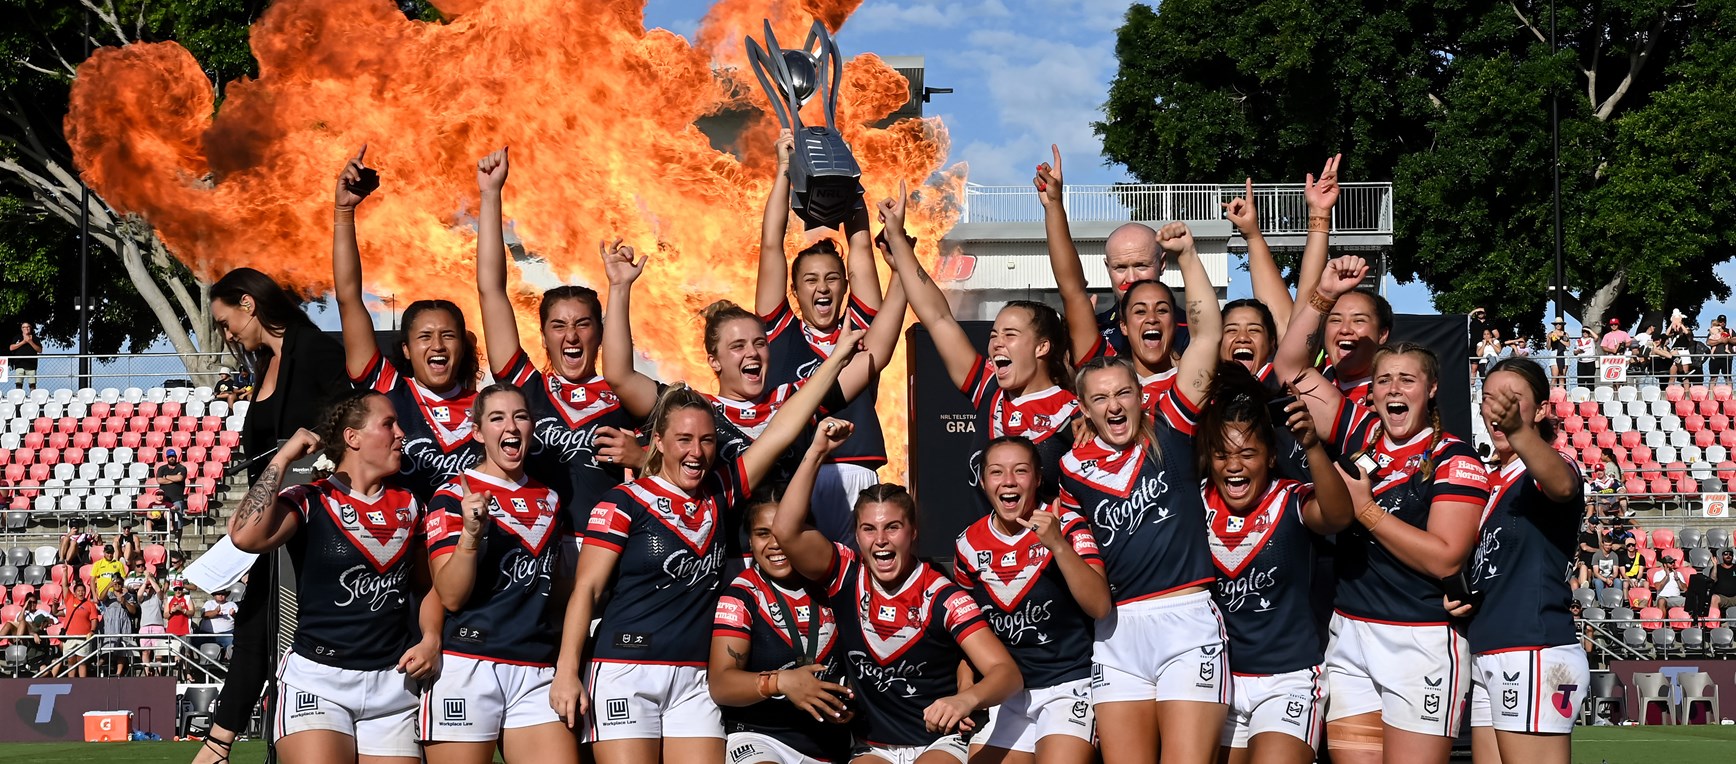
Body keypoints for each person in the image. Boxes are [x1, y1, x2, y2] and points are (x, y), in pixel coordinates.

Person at [552, 319, 871, 764]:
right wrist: (568, 671)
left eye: (706, 441)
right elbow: (585, 590)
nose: (696, 452)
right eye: (683, 439)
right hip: (627, 673)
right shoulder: (623, 502)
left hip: (695, 681)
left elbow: (782, 428)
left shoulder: (722, 491)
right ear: (657, 442)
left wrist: (836, 358)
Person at [1279, 257, 1492, 764]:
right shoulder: (1358, 429)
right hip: (1350, 631)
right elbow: (1290, 366)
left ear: (1432, 389)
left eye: (1407, 380)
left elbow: (1444, 559)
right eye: (1384, 381)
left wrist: (1368, 512)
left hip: (1419, 641)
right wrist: (1322, 295)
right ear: (1370, 392)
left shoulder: (1454, 457)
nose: (1394, 389)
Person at [600, 227, 905, 544]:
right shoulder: (696, 410)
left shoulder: (793, 399)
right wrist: (620, 288)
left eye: (759, 343)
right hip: (726, 559)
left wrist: (900, 272)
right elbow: (620, 376)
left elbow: (877, 353)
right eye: (737, 346)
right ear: (714, 360)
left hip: (787, 558)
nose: (752, 352)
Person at [772, 422, 1023, 764]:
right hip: (872, 746)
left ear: (913, 532)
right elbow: (785, 531)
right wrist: (816, 452)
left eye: (893, 527)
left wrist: (966, 700)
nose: (881, 540)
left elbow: (1006, 673)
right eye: (869, 529)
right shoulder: (844, 574)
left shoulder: (943, 596)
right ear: (856, 536)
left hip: (937, 743)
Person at [228, 394, 441, 764]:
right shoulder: (312, 498)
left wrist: (431, 639)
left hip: (393, 683)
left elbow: (428, 586)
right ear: (353, 438)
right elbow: (246, 536)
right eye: (388, 424)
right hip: (317, 681)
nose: (401, 433)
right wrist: (284, 458)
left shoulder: (413, 505)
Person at [1057, 296, 1223, 764]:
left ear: (1141, 395)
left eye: (1123, 393)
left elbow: (1208, 335)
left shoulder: (1171, 427)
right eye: (1100, 397)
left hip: (1186, 619)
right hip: (1116, 634)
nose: (1114, 405)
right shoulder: (1071, 472)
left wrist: (1189, 257)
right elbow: (1094, 590)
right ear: (1084, 409)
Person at [203, 262, 351, 764]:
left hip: (311, 522)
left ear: (249, 304)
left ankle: (222, 747)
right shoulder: (266, 363)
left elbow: (346, 423)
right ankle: (225, 746)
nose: (226, 333)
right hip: (272, 520)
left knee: (266, 629)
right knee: (255, 627)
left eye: (226, 321)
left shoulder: (314, 349)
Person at [472, 148, 641, 559]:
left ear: (601, 334)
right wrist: (491, 195)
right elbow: (491, 291)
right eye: (558, 326)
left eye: (583, 324)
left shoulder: (626, 393)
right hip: (536, 551)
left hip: (609, 552)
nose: (572, 336)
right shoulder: (526, 388)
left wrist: (643, 455)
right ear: (543, 336)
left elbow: (684, 456)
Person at [883, 183, 1079, 519]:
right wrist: (899, 241)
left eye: (1011, 334)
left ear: (1043, 346)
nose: (997, 343)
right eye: (994, 334)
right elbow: (939, 318)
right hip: (985, 556)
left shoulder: (1074, 414)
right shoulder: (988, 389)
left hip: (1047, 562)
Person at [1200, 364, 1355, 763]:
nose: (1233, 465)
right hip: (1216, 681)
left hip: (1288, 679)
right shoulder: (1195, 504)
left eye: (1247, 453)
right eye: (1222, 454)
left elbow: (1338, 517)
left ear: (1271, 458)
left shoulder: (1290, 498)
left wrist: (1312, 446)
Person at [419, 384, 570, 764]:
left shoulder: (552, 500)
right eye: (497, 418)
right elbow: (449, 595)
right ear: (476, 431)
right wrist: (471, 534)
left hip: (536, 668)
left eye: (520, 416)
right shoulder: (452, 496)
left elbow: (558, 593)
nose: (511, 427)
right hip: (468, 663)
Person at [756, 129, 893, 542]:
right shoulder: (779, 333)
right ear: (795, 292)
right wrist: (783, 170)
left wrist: (850, 187)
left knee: (861, 582)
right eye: (811, 280)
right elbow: (769, 246)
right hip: (799, 473)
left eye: (832, 279)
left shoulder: (860, 331)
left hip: (858, 471)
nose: (823, 288)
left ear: (844, 286)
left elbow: (863, 252)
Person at [1453, 357, 1587, 764]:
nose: (1498, 409)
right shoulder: (1489, 478)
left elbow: (1562, 486)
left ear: (1542, 409)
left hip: (1533, 646)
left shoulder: (1548, 465)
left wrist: (1518, 431)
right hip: (1492, 646)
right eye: (1489, 398)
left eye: (1511, 400)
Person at [333, 147, 485, 501]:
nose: (437, 346)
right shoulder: (389, 390)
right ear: (405, 348)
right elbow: (349, 299)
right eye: (425, 336)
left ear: (463, 346)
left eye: (448, 336)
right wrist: (343, 212)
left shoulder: (487, 409)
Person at [953, 434, 1110, 763]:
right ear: (982, 481)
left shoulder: (1066, 524)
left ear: (1038, 478)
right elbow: (970, 632)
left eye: (1020, 471)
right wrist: (966, 687)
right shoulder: (968, 543)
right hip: (1009, 693)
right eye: (997, 472)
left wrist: (1057, 545)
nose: (1008, 481)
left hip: (1068, 687)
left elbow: (1100, 606)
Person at [707, 487, 854, 764]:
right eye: (763, 533)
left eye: (784, 532)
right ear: (750, 541)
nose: (775, 544)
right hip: (759, 736)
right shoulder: (742, 594)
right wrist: (781, 682)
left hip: (827, 743)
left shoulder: (835, 586)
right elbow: (721, 684)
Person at [59, 580, 100, 678]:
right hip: (70, 637)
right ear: (75, 592)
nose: (81, 593)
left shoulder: (90, 605)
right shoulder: (70, 600)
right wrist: (65, 571)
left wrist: (92, 631)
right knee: (71, 661)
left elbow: (94, 619)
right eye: (79, 591)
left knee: (82, 662)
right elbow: (65, 585)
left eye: (83, 591)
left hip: (84, 637)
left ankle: (82, 684)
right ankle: (71, 682)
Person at [100, 582, 139, 675]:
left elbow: (133, 611)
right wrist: (108, 585)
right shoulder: (109, 595)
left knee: (123, 649)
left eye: (119, 582)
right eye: (115, 583)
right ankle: (100, 664)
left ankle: (118, 673)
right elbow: (100, 598)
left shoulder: (128, 596)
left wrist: (124, 602)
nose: (117, 584)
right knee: (108, 646)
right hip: (111, 624)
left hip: (124, 623)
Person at [156, 450, 189, 546]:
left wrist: (166, 477)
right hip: (164, 499)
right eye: (170, 456)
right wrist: (173, 479)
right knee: (162, 521)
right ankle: (161, 544)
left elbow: (180, 478)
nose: (172, 458)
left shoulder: (181, 468)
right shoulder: (162, 468)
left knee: (178, 521)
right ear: (167, 458)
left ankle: (177, 543)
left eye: (173, 456)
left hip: (177, 499)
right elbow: (159, 480)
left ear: (176, 457)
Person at [8, 320, 41, 392]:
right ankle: (18, 398)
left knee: (32, 384)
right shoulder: (17, 337)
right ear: (21, 329)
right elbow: (11, 348)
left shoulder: (35, 338)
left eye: (28, 327)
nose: (26, 328)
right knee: (18, 384)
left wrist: (30, 342)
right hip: (19, 364)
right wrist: (23, 342)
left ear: (31, 328)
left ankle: (33, 398)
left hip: (31, 365)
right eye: (24, 327)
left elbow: (39, 350)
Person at [1545, 319, 1569, 387]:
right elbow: (1548, 347)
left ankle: (1561, 392)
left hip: (1563, 353)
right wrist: (1549, 339)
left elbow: (1568, 344)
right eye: (1556, 324)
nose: (1558, 325)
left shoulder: (1565, 334)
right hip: (1554, 353)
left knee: (1562, 376)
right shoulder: (1550, 333)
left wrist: (1559, 338)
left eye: (1559, 324)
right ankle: (1552, 393)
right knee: (1554, 377)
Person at [1708, 316, 1732, 385]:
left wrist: (1727, 340)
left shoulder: (1729, 330)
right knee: (1713, 378)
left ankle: (1730, 394)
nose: (1722, 323)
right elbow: (1708, 342)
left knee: (1728, 378)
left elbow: (1734, 340)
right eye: (1721, 321)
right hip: (1715, 358)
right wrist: (1719, 340)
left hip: (1727, 358)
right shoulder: (1713, 330)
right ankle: (1711, 394)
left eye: (1724, 321)